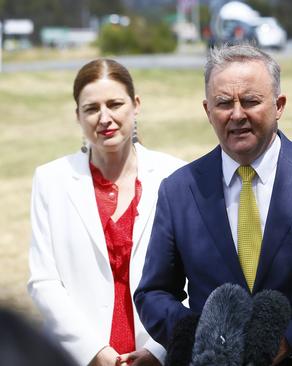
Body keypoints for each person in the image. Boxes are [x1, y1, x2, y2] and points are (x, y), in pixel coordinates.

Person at [134, 44, 292, 365]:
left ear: (279, 105)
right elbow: (152, 295)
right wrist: (201, 333)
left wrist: (290, 340)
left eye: (251, 101)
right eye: (224, 103)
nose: (237, 114)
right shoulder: (179, 190)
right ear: (207, 110)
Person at [28, 58, 185, 366]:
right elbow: (43, 282)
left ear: (136, 104)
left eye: (115, 104)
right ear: (77, 115)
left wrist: (159, 349)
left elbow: (196, 276)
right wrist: (93, 351)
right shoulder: (50, 180)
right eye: (91, 108)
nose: (105, 118)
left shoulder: (176, 175)